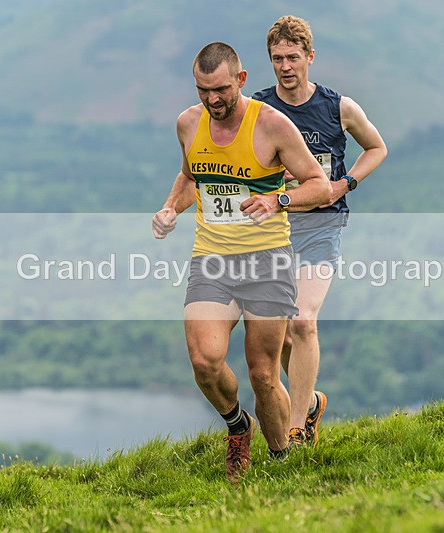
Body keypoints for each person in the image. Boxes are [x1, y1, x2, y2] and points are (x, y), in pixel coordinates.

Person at [152, 42, 330, 481]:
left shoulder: (272, 125)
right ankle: (238, 427)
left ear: (241, 80)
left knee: (263, 374)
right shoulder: (188, 123)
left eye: (221, 90)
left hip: (267, 262)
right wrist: (171, 209)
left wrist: (278, 200)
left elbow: (320, 186)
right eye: (202, 90)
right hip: (212, 260)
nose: (212, 100)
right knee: (204, 362)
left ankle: (282, 459)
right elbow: (190, 177)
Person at [252, 16, 387, 446]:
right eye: (277, 58)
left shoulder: (339, 107)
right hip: (272, 231)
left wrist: (345, 183)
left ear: (310, 56)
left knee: (303, 321)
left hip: (322, 226)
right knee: (279, 334)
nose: (285, 66)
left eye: (293, 57)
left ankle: (296, 429)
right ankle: (309, 402)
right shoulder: (257, 109)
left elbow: (377, 147)